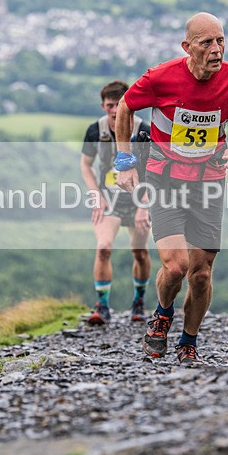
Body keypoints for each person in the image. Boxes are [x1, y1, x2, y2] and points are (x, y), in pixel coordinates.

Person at [113, 12, 228, 364]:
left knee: (201, 273)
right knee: (176, 267)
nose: (217, 49)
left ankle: (188, 342)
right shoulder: (161, 78)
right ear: (187, 47)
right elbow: (126, 106)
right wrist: (125, 159)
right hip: (165, 178)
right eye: (207, 43)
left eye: (221, 40)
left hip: (209, 180)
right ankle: (162, 314)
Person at [80, 80, 152, 325]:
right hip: (108, 199)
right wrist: (95, 194)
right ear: (103, 105)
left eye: (119, 105)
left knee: (140, 253)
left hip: (139, 197)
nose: (114, 110)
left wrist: (144, 205)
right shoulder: (95, 131)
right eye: (110, 105)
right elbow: (85, 165)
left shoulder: (145, 132)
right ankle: (102, 304)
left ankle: (138, 301)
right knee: (103, 247)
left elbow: (156, 170)